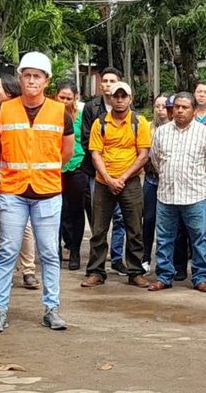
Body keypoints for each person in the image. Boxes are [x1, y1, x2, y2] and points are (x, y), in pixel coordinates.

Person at [0, 52, 74, 331]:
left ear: (46, 80)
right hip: (13, 190)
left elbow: (66, 153)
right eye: (27, 75)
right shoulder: (3, 111)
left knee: (49, 253)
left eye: (38, 75)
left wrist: (42, 171)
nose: (32, 80)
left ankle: (52, 309)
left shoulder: (60, 112)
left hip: (47, 192)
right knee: (7, 252)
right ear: (20, 77)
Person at [80, 82, 151, 289]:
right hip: (103, 182)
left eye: (124, 96)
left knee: (135, 228)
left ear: (131, 99)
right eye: (115, 96)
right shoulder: (100, 123)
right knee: (99, 229)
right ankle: (96, 271)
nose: (119, 100)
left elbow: (143, 154)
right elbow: (95, 154)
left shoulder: (139, 122)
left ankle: (135, 271)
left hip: (130, 182)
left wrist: (122, 178)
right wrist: (109, 179)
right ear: (110, 99)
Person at [147, 92, 206, 292]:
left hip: (195, 196)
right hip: (167, 195)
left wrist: (198, 182)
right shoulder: (161, 132)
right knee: (164, 238)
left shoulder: (205, 133)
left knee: (198, 239)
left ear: (194, 110)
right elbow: (156, 160)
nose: (179, 110)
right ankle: (164, 276)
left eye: (184, 107)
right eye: (176, 106)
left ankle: (201, 277)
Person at [0, 75, 39, 284]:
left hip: (23, 179)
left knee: (26, 227)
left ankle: (28, 270)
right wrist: (8, 157)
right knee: (0, 227)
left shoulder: (25, 114)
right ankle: (5, 270)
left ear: (10, 91)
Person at [80, 67, 127, 276]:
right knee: (99, 219)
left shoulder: (130, 112)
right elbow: (86, 140)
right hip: (97, 173)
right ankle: (96, 267)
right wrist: (104, 170)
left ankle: (118, 259)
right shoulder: (91, 108)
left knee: (122, 218)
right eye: (105, 81)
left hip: (124, 174)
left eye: (112, 81)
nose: (108, 84)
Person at [143, 94, 190, 279]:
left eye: (169, 107)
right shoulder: (153, 128)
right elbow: (153, 157)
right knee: (149, 220)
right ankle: (146, 259)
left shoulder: (189, 130)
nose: (167, 111)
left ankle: (178, 265)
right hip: (154, 180)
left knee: (179, 226)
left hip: (180, 184)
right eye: (162, 107)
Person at [56, 80, 87, 271]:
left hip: (77, 166)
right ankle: (56, 251)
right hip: (54, 168)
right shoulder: (49, 115)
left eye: (69, 98)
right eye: (62, 97)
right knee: (56, 210)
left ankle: (75, 251)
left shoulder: (82, 116)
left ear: (76, 97)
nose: (65, 101)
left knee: (76, 210)